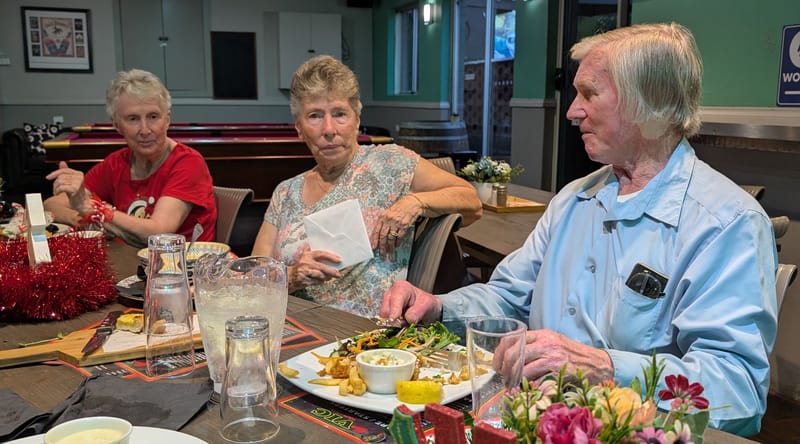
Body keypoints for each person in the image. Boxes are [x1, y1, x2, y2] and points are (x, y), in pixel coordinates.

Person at [380, 23, 777, 436]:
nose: (571, 110)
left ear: (648, 103)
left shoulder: (727, 223)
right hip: (532, 420)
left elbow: (738, 391)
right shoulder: (573, 199)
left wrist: (602, 367)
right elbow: (509, 297)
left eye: (589, 93)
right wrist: (439, 307)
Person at [251, 55, 482, 317]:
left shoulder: (390, 162)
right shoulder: (285, 192)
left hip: (365, 333)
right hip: (292, 325)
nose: (329, 129)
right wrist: (292, 276)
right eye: (315, 116)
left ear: (357, 121)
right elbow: (255, 277)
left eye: (339, 114)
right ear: (299, 129)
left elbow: (471, 201)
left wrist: (415, 202)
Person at [44, 69, 217, 248]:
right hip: (131, 265)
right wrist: (87, 215)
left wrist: (93, 209)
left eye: (153, 117)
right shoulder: (116, 163)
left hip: (183, 270)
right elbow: (51, 205)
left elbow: (158, 233)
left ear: (167, 120)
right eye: (133, 119)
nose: (145, 130)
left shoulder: (188, 162)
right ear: (117, 125)